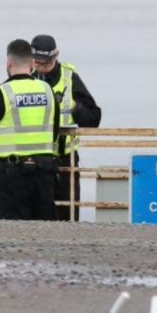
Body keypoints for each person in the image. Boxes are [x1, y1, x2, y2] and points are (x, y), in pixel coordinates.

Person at [0, 39, 60, 221]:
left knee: (11, 231)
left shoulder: (1, 94)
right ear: (32, 63)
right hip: (45, 173)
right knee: (45, 230)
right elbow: (54, 132)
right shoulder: (47, 91)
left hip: (13, 174)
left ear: (8, 64)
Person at [30, 34, 101, 221]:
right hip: (34, 159)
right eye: (37, 63)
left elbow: (94, 119)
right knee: (36, 218)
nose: (42, 68)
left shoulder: (70, 78)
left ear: (56, 56)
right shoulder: (25, 79)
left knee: (68, 217)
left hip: (65, 159)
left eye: (46, 63)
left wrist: (77, 108)